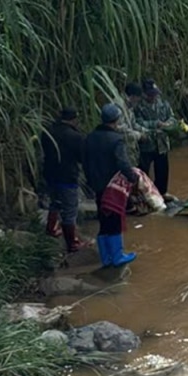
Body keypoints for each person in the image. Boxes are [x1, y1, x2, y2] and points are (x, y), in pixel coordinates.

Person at [83, 103, 138, 267]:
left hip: (96, 185)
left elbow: (85, 162)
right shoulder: (116, 139)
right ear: (116, 120)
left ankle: (105, 258)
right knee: (115, 218)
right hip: (112, 187)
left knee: (103, 218)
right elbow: (122, 162)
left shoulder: (89, 137)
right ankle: (117, 256)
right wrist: (133, 177)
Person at [39, 106, 92, 253]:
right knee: (70, 209)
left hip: (49, 174)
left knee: (54, 201)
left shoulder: (48, 131)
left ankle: (51, 228)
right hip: (67, 176)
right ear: (74, 120)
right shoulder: (75, 137)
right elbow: (82, 158)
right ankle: (72, 243)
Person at [133, 78, 176, 197]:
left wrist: (168, 124)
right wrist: (155, 124)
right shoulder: (138, 107)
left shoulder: (163, 104)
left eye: (155, 94)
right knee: (143, 172)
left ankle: (162, 193)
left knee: (162, 171)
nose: (153, 97)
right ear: (144, 93)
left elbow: (172, 117)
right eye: (150, 95)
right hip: (146, 144)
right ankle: (144, 195)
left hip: (161, 143)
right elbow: (137, 123)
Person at [118, 82, 145, 164]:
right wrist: (139, 135)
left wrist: (146, 131)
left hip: (130, 148)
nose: (138, 101)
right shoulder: (118, 106)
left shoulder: (129, 106)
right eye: (138, 98)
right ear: (133, 96)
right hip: (120, 148)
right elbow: (119, 128)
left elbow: (133, 124)